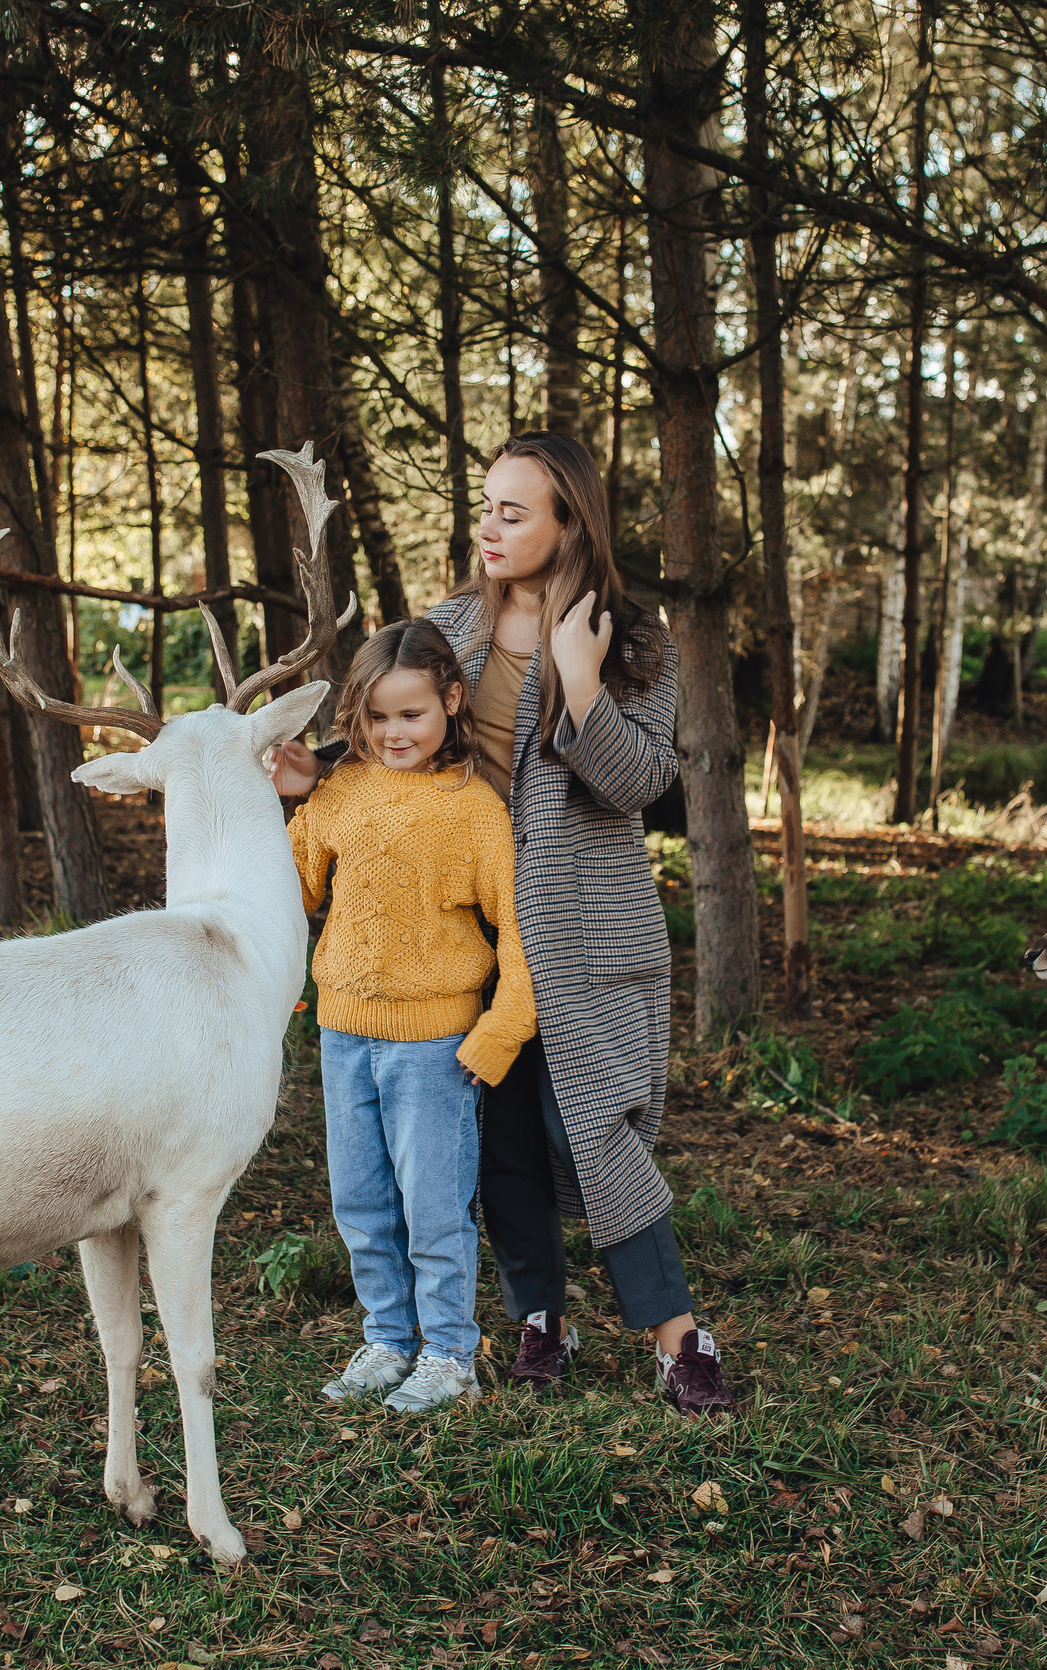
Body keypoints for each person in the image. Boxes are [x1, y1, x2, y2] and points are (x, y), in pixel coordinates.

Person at [271, 431, 733, 1417]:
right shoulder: (452, 626)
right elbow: (397, 734)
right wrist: (317, 773)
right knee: (505, 1133)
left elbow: (642, 784)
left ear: (571, 523)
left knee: (594, 1130)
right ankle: (539, 1318)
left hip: (584, 933)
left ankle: (679, 1338)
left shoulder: (633, 641)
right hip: (466, 929)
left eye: (513, 512)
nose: (488, 526)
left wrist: (579, 679)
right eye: (485, 506)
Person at [282, 620, 534, 1413]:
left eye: (411, 714)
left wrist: (501, 1031)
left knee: (433, 1205)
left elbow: (520, 929)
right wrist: (287, 796)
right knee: (359, 1199)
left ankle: (450, 1353)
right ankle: (388, 1337)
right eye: (377, 716)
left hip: (436, 1046)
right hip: (342, 1034)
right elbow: (295, 888)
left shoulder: (475, 810)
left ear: (451, 700)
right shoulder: (342, 790)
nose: (393, 732)